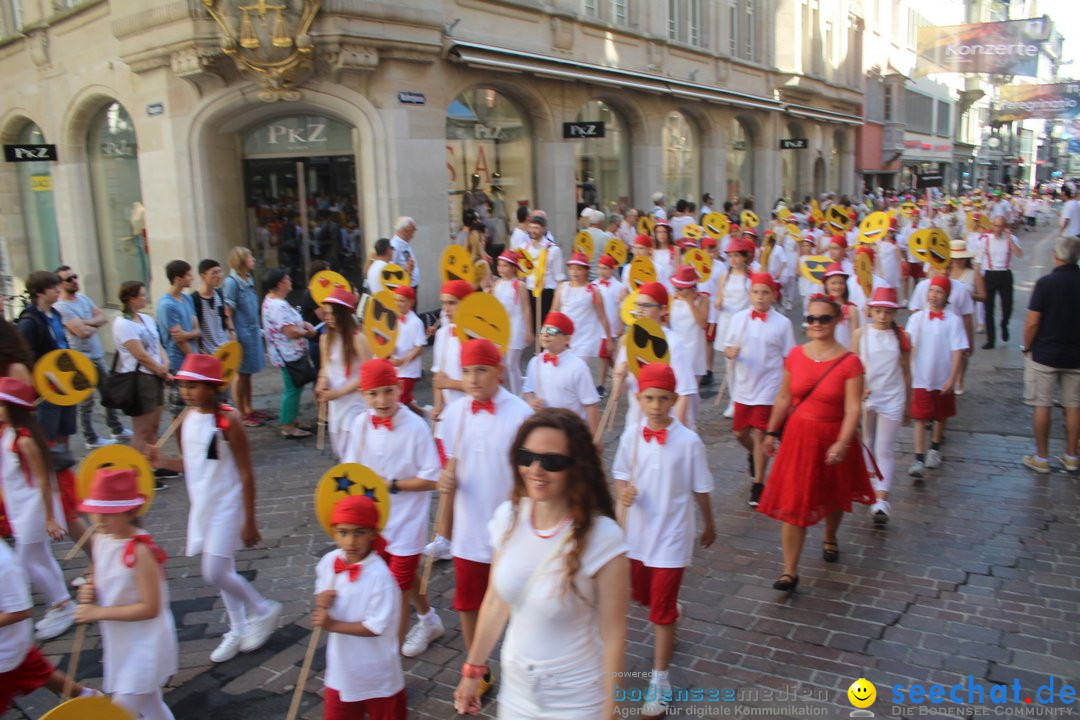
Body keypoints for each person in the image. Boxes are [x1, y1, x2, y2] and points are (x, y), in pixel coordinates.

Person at [453, 408, 628, 719]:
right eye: (526, 456)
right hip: (517, 693)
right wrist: (472, 670)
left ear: (577, 467)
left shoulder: (604, 538)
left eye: (552, 461)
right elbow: (495, 601)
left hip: (577, 699)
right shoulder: (507, 517)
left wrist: (611, 711)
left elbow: (614, 632)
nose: (535, 469)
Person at [146, 354, 281, 663]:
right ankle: (238, 627)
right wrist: (163, 462)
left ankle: (263, 608)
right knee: (224, 571)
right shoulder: (183, 420)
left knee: (214, 571)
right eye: (183, 386)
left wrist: (251, 520)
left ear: (213, 387)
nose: (187, 392)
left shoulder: (228, 420)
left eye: (194, 386)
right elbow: (193, 466)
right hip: (203, 504)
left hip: (228, 503)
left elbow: (246, 472)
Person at [612, 363, 714, 717]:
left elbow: (701, 489)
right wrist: (623, 495)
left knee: (660, 614)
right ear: (638, 398)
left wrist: (710, 524)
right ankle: (669, 608)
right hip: (638, 535)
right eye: (649, 398)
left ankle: (660, 679)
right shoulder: (631, 438)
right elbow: (621, 476)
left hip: (672, 535)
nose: (655, 406)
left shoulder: (689, 442)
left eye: (663, 399)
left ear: (673, 399)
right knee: (642, 596)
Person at [437, 339, 534, 699]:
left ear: (500, 371)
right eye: (466, 371)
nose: (472, 379)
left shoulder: (520, 414)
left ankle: (521, 664)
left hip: (511, 532)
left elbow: (530, 472)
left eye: (481, 370)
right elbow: (448, 463)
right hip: (468, 530)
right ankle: (477, 668)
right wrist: (444, 479)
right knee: (469, 602)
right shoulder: (454, 414)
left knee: (517, 602)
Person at [759, 295, 876, 592]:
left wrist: (843, 442)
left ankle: (830, 535)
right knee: (794, 503)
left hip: (834, 435)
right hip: (799, 438)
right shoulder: (796, 355)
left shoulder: (851, 363)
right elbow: (784, 397)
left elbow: (852, 409)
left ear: (837, 321)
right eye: (811, 318)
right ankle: (789, 571)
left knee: (833, 493)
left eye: (824, 318)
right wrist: (772, 432)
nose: (816, 324)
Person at [344, 359, 443, 657]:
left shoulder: (415, 427)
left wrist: (394, 484)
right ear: (363, 395)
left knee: (396, 587)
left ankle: (392, 653)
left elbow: (433, 478)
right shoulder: (361, 424)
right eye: (373, 394)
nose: (382, 400)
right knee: (402, 575)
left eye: (388, 391)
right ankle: (429, 619)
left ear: (399, 388)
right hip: (375, 520)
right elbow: (351, 469)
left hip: (408, 521)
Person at [73, 468, 178, 720]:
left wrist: (98, 611)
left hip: (146, 643)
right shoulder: (101, 540)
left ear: (130, 511)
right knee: (151, 703)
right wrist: (91, 591)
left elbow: (150, 607)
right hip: (122, 641)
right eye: (96, 511)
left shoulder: (140, 551)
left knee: (119, 712)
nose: (99, 519)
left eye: (109, 513)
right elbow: (100, 577)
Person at [311, 495, 406, 719]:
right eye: (343, 533)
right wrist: (322, 600)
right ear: (334, 532)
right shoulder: (329, 562)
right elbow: (321, 593)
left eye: (359, 533)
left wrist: (332, 624)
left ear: (373, 534)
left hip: (376, 673)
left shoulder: (380, 577)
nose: (350, 542)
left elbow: (375, 627)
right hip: (342, 670)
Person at [0, 377, 74, 640]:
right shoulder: (8, 433)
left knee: (25, 562)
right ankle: (62, 604)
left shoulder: (25, 441)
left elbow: (44, 479)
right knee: (39, 557)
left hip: (34, 507)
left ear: (15, 408)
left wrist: (51, 517)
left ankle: (62, 604)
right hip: (19, 505)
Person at [0, 537, 96, 714]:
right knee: (38, 670)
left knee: (31, 668)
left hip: (6, 651)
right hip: (13, 649)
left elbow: (20, 611)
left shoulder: (4, 565)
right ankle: (87, 696)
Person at [725, 273, 795, 507]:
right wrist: (730, 352)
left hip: (769, 387)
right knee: (740, 433)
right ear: (750, 294)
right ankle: (753, 455)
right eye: (756, 292)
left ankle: (758, 484)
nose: (760, 297)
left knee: (761, 434)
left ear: (773, 295)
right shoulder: (738, 320)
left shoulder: (782, 324)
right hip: (744, 386)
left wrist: (787, 391)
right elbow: (728, 346)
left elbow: (789, 358)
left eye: (765, 292)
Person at [852, 287, 911, 524]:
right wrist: (857, 390)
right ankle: (871, 484)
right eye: (878, 311)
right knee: (867, 442)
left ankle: (881, 499)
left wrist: (908, 403)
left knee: (884, 447)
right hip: (868, 396)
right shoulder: (860, 334)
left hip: (893, 396)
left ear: (894, 313)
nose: (882, 317)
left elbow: (907, 371)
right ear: (870, 311)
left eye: (887, 312)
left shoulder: (902, 337)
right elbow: (851, 367)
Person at [1021, 236, 1080, 474]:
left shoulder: (1045, 283)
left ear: (1055, 256)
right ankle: (1072, 456)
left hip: (1045, 353)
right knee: (1074, 405)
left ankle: (1042, 458)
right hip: (1076, 354)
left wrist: (1027, 346)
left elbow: (1032, 323)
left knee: (1042, 404)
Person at [54, 266, 131, 447]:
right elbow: (82, 333)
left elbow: (103, 317)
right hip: (80, 360)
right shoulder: (61, 307)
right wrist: (89, 325)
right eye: (69, 279)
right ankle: (91, 439)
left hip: (96, 354)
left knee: (108, 394)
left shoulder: (83, 298)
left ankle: (116, 429)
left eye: (75, 276)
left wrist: (87, 322)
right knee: (86, 401)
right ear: (60, 284)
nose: (74, 280)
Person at [112, 281, 173, 490]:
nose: (145, 298)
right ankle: (139, 470)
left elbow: (157, 346)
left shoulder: (146, 319)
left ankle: (155, 462)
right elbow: (140, 354)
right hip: (140, 378)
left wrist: (165, 364)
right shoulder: (122, 324)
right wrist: (159, 369)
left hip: (155, 375)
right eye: (142, 295)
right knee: (142, 429)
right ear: (131, 299)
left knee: (154, 425)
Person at [906, 276, 969, 479]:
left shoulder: (954, 321)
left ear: (947, 296)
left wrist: (953, 378)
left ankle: (934, 447)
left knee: (940, 414)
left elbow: (958, 351)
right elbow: (908, 344)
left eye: (939, 292)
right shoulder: (917, 319)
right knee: (920, 417)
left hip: (942, 375)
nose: (934, 296)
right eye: (931, 291)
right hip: (921, 376)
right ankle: (918, 457)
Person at [16, 271, 75, 451]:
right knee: (48, 431)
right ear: (39, 292)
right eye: (53, 287)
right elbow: (24, 355)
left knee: (65, 429)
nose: (58, 290)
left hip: (66, 379)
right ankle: (50, 468)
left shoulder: (55, 314)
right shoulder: (30, 321)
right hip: (48, 384)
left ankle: (63, 466)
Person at [522, 312, 601, 436]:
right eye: (543, 330)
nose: (546, 334)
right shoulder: (535, 362)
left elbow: (591, 405)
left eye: (553, 331)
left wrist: (595, 439)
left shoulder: (578, 367)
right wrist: (532, 401)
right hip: (543, 427)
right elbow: (528, 390)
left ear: (567, 339)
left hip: (571, 431)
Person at [261, 268, 318, 439]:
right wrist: (306, 332)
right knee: (292, 389)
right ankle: (287, 425)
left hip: (288, 352)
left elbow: (292, 322)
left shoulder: (273, 301)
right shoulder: (277, 305)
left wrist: (304, 324)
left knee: (296, 386)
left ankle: (292, 419)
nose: (290, 281)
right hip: (288, 354)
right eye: (287, 279)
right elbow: (289, 331)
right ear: (280, 284)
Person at [315, 288, 371, 459]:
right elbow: (325, 367)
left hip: (356, 401)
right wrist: (321, 382)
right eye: (326, 314)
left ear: (343, 314)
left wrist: (338, 392)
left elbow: (368, 373)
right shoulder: (325, 338)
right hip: (335, 403)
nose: (328, 318)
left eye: (332, 314)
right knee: (340, 449)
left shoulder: (358, 338)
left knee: (354, 450)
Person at [552, 252, 612, 393]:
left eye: (579, 269)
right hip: (564, 337)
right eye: (572, 268)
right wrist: (545, 333)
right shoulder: (562, 287)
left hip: (586, 339)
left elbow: (603, 316)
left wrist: (608, 339)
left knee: (579, 371)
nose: (575, 272)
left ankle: (584, 399)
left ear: (586, 270)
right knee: (564, 372)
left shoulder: (593, 291)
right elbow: (554, 311)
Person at [223, 247, 267, 427]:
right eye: (250, 257)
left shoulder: (247, 280)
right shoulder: (232, 282)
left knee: (248, 373)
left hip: (252, 330)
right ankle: (240, 412)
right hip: (242, 332)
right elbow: (228, 310)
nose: (253, 259)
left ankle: (248, 407)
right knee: (240, 374)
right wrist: (232, 331)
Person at [713, 237, 754, 418]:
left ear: (745, 257)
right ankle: (734, 400)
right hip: (726, 322)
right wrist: (719, 302)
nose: (734, 260)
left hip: (744, 324)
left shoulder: (751, 278)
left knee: (745, 363)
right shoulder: (725, 275)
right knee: (729, 363)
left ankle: (747, 397)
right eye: (731, 256)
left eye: (737, 256)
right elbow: (719, 297)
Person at [157, 260, 199, 418]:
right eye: (188, 274)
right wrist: (193, 359)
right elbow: (178, 339)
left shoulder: (187, 299)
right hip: (178, 361)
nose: (192, 278)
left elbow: (196, 329)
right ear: (177, 279)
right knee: (179, 409)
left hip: (192, 356)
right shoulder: (167, 305)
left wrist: (190, 335)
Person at [977, 216, 1023, 349]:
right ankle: (991, 339)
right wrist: (977, 279)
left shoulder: (1011, 239)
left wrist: (1010, 239)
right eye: (996, 226)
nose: (998, 229)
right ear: (992, 226)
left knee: (1007, 305)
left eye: (1001, 226)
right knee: (988, 308)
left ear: (1005, 227)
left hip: (1005, 273)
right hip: (990, 274)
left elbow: (1019, 254)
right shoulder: (985, 240)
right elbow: (978, 261)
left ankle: (1004, 324)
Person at [431, 280, 474, 422]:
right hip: (448, 416)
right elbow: (438, 376)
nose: (446, 309)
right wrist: (438, 404)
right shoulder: (442, 334)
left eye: (452, 303)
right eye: (444, 303)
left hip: (471, 414)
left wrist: (449, 383)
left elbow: (485, 385)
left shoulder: (476, 336)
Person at [491, 251, 532, 396]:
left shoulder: (519, 285)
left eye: (505, 266)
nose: (501, 269)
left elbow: (526, 309)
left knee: (511, 364)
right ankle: (501, 392)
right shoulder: (497, 284)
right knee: (500, 363)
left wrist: (528, 330)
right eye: (500, 265)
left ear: (513, 267)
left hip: (516, 326)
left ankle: (518, 394)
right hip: (501, 327)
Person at [390, 286, 427, 416]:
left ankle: (415, 419)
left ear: (411, 302)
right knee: (402, 398)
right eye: (396, 300)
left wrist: (403, 361)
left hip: (409, 370)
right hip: (396, 367)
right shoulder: (395, 319)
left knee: (399, 399)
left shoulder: (416, 322)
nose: (398, 303)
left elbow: (419, 348)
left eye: (401, 300)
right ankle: (424, 414)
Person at [191, 259, 233, 356]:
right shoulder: (194, 299)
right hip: (207, 352)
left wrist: (232, 330)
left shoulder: (220, 294)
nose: (218, 276)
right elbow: (194, 326)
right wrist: (199, 350)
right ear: (203, 275)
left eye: (219, 272)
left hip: (225, 348)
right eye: (214, 273)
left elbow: (226, 315)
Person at [823, 263, 860, 348]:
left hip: (844, 354)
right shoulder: (821, 307)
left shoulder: (851, 309)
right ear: (826, 285)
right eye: (833, 283)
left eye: (841, 283)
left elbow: (855, 337)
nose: (837, 286)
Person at [389, 217, 420, 290]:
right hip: (405, 287)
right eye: (413, 229)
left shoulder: (404, 243)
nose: (414, 232)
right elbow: (391, 268)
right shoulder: (395, 246)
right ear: (406, 230)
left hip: (411, 285)